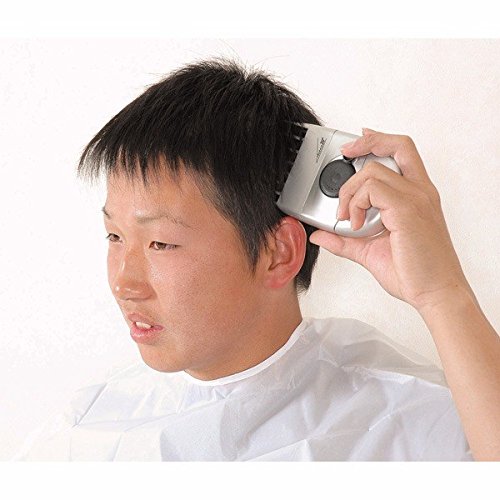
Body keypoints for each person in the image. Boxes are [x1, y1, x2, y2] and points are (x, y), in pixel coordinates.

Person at [12, 58, 499, 461]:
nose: (124, 283)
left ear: (277, 253)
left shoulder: (409, 419)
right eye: (114, 236)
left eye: (160, 243)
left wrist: (441, 294)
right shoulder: (86, 426)